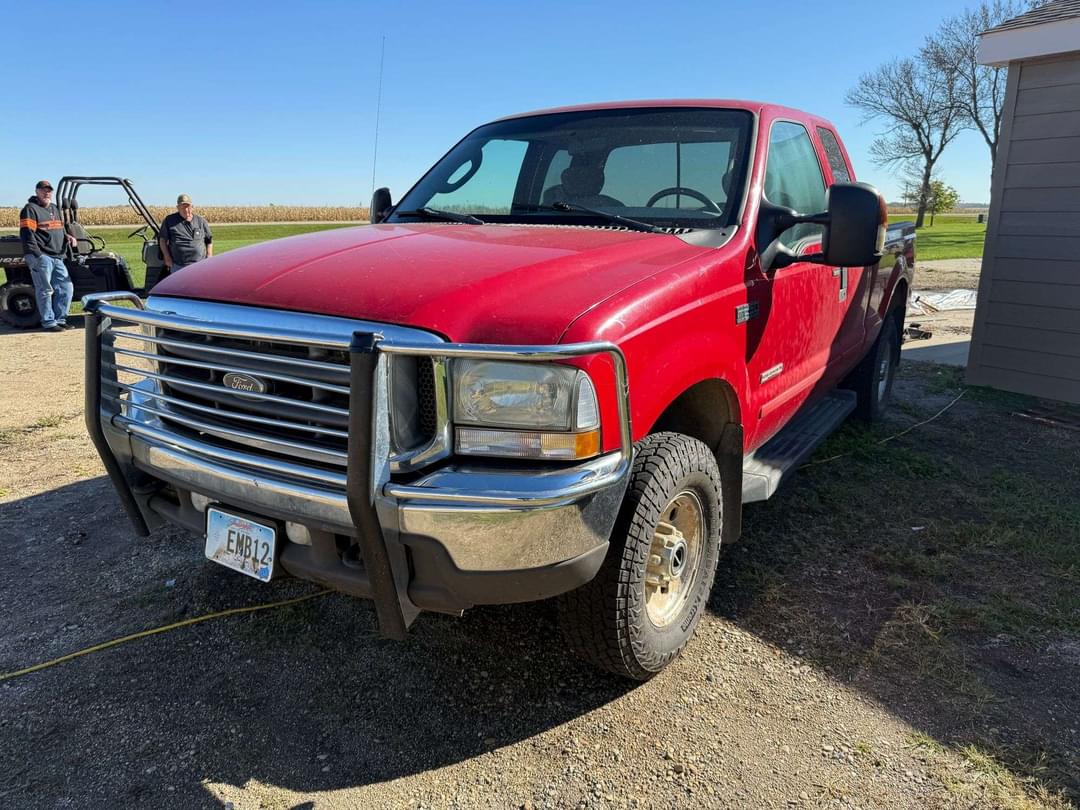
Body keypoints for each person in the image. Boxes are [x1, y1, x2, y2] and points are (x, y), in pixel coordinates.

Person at [19, 180, 77, 332]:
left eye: (49, 190)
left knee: (66, 287)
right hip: (42, 256)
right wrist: (38, 255)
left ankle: (60, 318)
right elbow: (27, 234)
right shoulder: (30, 209)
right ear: (37, 191)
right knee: (45, 289)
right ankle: (49, 322)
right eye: (43, 190)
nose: (47, 193)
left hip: (57, 255)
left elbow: (59, 227)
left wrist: (67, 237)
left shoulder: (54, 208)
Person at [158, 194, 213, 274]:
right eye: (183, 207)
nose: (186, 210)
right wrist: (167, 257)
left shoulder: (201, 221)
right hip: (178, 265)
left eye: (188, 207)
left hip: (200, 265)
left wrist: (209, 255)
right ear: (178, 208)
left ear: (192, 207)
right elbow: (162, 240)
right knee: (179, 286)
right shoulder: (169, 220)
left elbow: (209, 240)